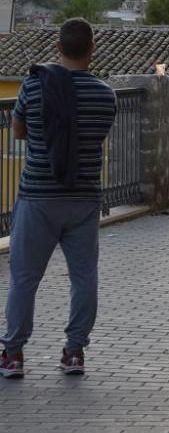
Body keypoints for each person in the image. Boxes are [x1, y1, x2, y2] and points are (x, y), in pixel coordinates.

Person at [1, 19, 117, 379]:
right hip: (83, 198)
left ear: (57, 46)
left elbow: (19, 130)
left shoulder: (34, 87)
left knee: (24, 277)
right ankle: (74, 352)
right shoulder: (105, 95)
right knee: (83, 277)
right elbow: (95, 135)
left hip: (38, 196)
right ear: (92, 48)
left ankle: (14, 354)